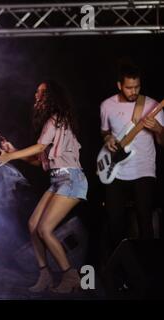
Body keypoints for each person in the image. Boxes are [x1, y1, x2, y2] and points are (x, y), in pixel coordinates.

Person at [0, 81, 88, 293]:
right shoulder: (50, 123)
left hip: (71, 179)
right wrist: (14, 151)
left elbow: (39, 147)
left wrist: (10, 155)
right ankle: (45, 274)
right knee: (33, 225)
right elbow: (39, 161)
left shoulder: (57, 119)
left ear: (52, 97)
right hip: (58, 180)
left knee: (45, 229)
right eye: (37, 92)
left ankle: (70, 275)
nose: (36, 95)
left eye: (42, 93)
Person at [100, 61, 164, 256]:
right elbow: (104, 132)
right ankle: (119, 270)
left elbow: (162, 142)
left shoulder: (152, 105)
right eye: (129, 87)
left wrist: (158, 129)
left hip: (143, 169)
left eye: (137, 87)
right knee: (115, 221)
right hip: (115, 170)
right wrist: (108, 138)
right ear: (119, 85)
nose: (133, 91)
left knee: (145, 219)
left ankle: (147, 266)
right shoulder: (107, 105)